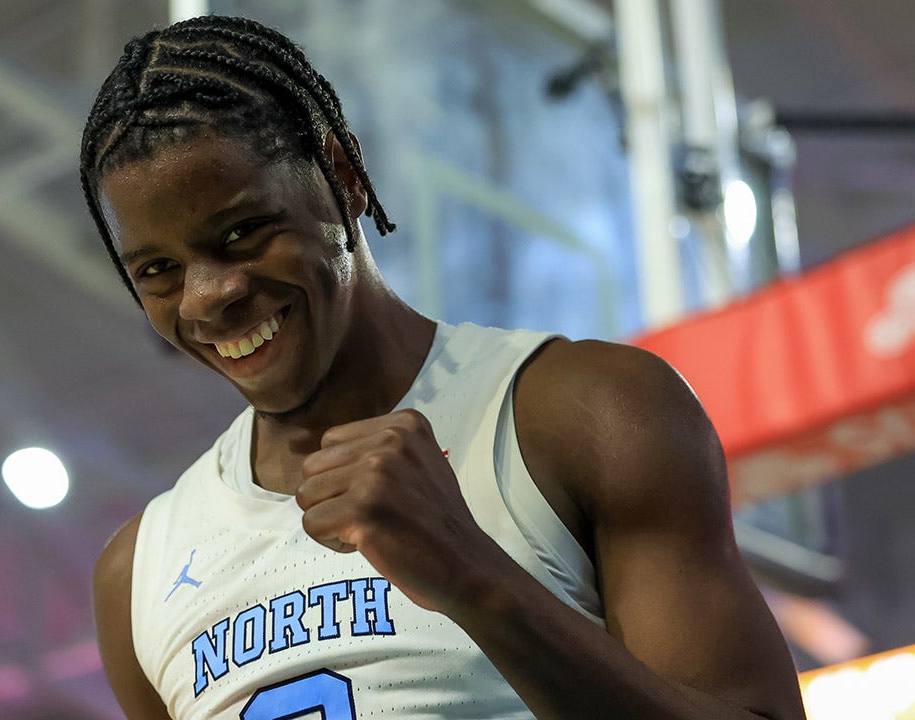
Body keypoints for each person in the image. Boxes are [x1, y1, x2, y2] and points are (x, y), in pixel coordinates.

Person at [81, 14, 806, 720]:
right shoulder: (137, 577)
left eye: (243, 231)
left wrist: (474, 576)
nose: (208, 296)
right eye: (158, 270)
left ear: (342, 175)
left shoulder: (589, 412)